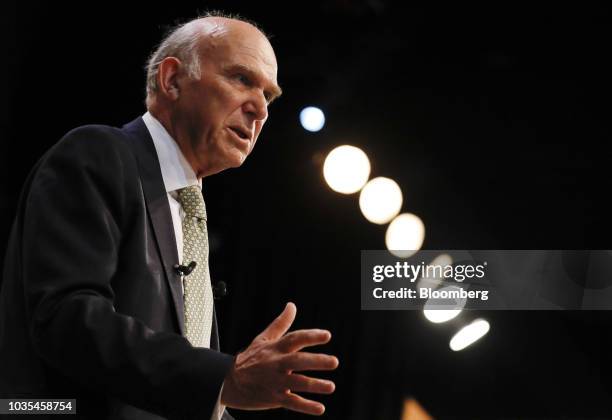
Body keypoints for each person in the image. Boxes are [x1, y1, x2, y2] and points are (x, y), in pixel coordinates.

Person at [0, 13, 339, 420]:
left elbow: (175, 384)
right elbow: (67, 319)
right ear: (172, 80)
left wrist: (223, 394)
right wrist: (222, 378)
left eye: (269, 96)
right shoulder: (99, 154)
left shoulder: (188, 209)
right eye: (242, 79)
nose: (259, 110)